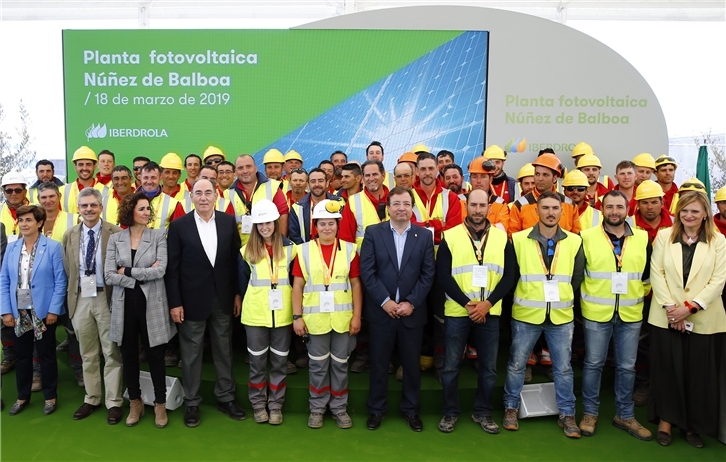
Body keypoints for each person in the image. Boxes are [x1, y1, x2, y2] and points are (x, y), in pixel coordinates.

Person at [503, 191, 585, 438]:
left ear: (562, 211)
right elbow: (511, 276)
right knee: (517, 365)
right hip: (527, 314)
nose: (550, 212)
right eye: (545, 208)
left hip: (561, 316)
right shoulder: (517, 240)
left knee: (563, 368)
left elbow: (577, 277)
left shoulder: (574, 241)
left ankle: (567, 414)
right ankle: (510, 407)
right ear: (536, 211)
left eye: (555, 208)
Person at [648, 190, 726, 448]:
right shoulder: (663, 236)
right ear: (677, 212)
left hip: (704, 319)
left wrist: (689, 308)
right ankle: (666, 421)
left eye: (695, 210)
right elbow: (656, 273)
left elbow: (718, 280)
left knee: (698, 373)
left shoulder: (719, 241)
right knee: (668, 369)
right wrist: (673, 308)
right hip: (665, 316)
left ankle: (693, 425)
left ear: (705, 213)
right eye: (684, 210)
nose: (689, 215)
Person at [166, 178, 245, 427]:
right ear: (191, 196)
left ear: (216, 196)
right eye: (198, 193)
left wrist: (236, 294)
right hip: (190, 301)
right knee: (190, 354)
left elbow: (235, 262)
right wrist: (175, 302)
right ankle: (191, 402)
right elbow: (173, 269)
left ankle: (226, 398)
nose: (203, 197)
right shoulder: (179, 226)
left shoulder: (227, 221)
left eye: (207, 193)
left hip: (222, 298)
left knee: (224, 350)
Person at [436, 189, 516, 434]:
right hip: (458, 312)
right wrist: (469, 304)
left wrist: (487, 304)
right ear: (466, 206)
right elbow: (443, 276)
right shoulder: (450, 236)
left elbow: (509, 276)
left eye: (483, 205)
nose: (478, 210)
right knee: (450, 366)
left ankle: (482, 412)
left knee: (489, 368)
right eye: (474, 205)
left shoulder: (503, 238)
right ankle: (450, 412)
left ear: (488, 206)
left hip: (489, 312)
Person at [360, 187, 435, 432]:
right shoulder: (373, 233)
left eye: (406, 203)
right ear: (388, 208)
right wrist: (385, 301)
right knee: (379, 364)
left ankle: (412, 411)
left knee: (412, 366)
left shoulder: (424, 236)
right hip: (382, 312)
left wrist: (411, 303)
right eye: (396, 203)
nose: (401, 207)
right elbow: (367, 272)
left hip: (412, 313)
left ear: (412, 207)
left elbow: (428, 274)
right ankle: (376, 410)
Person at [578, 191, 653, 441]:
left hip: (630, 314)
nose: (614, 212)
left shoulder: (642, 238)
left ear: (627, 209)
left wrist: (633, 297)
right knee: (593, 365)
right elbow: (578, 275)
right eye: (609, 207)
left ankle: (625, 415)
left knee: (626, 367)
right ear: (602, 209)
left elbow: (647, 277)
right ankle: (590, 413)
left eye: (619, 207)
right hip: (596, 313)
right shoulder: (586, 237)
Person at [104, 191, 176, 428]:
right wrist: (135, 278)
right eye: (142, 209)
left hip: (151, 304)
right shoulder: (116, 239)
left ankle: (159, 405)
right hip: (124, 305)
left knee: (156, 356)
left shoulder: (158, 236)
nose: (147, 213)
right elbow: (108, 275)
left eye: (148, 209)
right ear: (130, 211)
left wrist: (127, 271)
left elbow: (160, 271)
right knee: (129, 356)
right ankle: (135, 403)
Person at [292, 200, 362, 429]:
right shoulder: (303, 251)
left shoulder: (350, 250)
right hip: (315, 321)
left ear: (337, 224)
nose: (327, 228)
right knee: (318, 367)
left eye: (331, 223)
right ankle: (317, 409)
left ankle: (340, 408)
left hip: (343, 321)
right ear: (315, 226)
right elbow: (298, 286)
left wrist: (357, 316)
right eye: (322, 223)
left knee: (340, 365)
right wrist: (297, 317)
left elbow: (356, 285)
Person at [61, 188, 124, 424]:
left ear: (101, 207)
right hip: (80, 299)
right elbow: (69, 270)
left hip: (106, 297)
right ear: (78, 208)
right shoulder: (69, 235)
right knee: (87, 353)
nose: (89, 209)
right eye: (84, 205)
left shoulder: (115, 233)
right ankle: (92, 397)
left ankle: (114, 402)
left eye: (93, 205)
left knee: (111, 352)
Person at [1, 205, 67, 416]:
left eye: (28, 220)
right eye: (21, 221)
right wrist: (6, 311)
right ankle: (23, 396)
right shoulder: (12, 248)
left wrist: (54, 310)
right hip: (18, 311)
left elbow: (60, 281)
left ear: (39, 222)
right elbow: (4, 281)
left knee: (47, 355)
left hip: (44, 312)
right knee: (22, 356)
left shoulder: (53, 247)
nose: (24, 224)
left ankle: (50, 396)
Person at [238, 199, 297, 425]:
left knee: (280, 363)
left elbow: (295, 282)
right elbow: (241, 283)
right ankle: (258, 405)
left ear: (275, 222)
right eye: (259, 224)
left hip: (282, 315)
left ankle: (276, 406)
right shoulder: (245, 251)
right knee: (257, 363)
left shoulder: (291, 249)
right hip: (255, 316)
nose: (264, 227)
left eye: (268, 223)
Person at [37, 182, 83, 386]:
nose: (48, 201)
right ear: (39, 200)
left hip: (68, 286)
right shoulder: (34, 221)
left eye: (51, 196)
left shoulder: (73, 219)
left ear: (58, 197)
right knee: (37, 330)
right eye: (43, 197)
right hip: (41, 288)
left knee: (74, 331)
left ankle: (79, 370)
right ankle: (37, 372)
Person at [631, 180, 672, 406]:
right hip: (642, 295)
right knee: (642, 343)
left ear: (662, 202)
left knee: (668, 342)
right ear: (637, 205)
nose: (649, 207)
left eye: (654, 202)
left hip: (673, 296)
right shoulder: (629, 226)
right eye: (644, 203)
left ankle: (666, 386)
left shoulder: (676, 224)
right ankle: (644, 383)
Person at [509, 153, 580, 235]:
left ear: (555, 178)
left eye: (545, 175)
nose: (540, 179)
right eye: (537, 174)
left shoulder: (570, 205)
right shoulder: (520, 206)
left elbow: (576, 238)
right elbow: (513, 239)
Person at [229, 154, 289, 245]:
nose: (245, 171)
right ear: (235, 172)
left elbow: (283, 215)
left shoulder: (272, 186)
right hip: (242, 251)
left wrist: (279, 245)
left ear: (256, 168)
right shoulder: (228, 193)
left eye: (248, 166)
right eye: (240, 168)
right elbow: (227, 226)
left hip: (270, 247)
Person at [412, 153, 463, 248]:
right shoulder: (407, 197)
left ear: (437, 169)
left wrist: (420, 231)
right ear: (417, 171)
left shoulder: (451, 197)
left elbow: (453, 232)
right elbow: (407, 229)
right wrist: (439, 224)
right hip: (416, 257)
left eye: (431, 168)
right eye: (423, 169)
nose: (427, 173)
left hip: (444, 257)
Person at [339, 160, 390, 250]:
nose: (371, 178)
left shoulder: (396, 199)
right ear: (362, 178)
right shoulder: (353, 202)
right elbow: (345, 240)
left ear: (383, 175)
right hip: (364, 261)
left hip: (393, 261)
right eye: (367, 175)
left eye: (375, 174)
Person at [289, 168, 343, 244]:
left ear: (327, 183)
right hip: (307, 252)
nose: (317, 184)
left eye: (320, 181)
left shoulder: (340, 203)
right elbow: (294, 236)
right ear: (308, 184)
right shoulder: (297, 207)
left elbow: (345, 231)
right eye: (313, 181)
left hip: (336, 250)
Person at [60, 146, 110, 214]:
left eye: (88, 164)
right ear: (75, 167)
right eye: (81, 165)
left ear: (94, 167)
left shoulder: (108, 192)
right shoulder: (62, 191)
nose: (84, 168)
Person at [137, 162, 186, 230]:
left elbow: (182, 231)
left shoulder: (173, 204)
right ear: (140, 178)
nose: (149, 182)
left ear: (160, 178)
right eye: (145, 178)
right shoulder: (129, 201)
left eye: (153, 178)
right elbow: (123, 231)